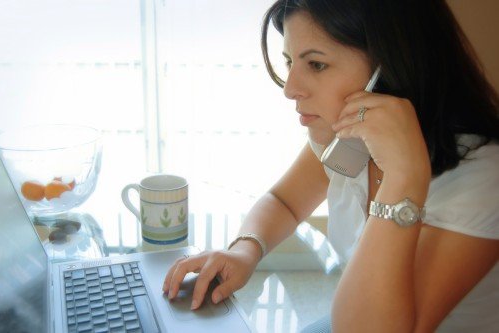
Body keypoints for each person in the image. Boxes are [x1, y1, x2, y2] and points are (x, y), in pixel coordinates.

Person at [163, 0, 499, 331]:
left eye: (316, 65)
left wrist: (403, 178)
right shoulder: (346, 136)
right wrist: (244, 250)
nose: (290, 89)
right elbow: (284, 201)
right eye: (290, 61)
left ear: (391, 67)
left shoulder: (483, 179)